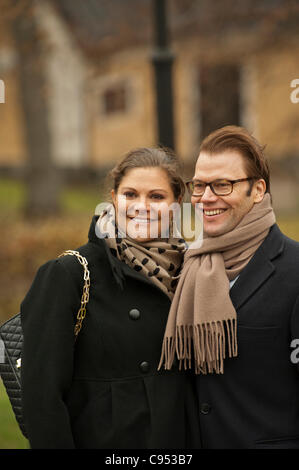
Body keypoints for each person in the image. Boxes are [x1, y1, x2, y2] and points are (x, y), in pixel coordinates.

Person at [20, 147, 200, 449]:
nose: (141, 206)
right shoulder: (70, 273)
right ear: (114, 199)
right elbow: (42, 398)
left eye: (156, 197)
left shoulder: (190, 270)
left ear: (176, 203)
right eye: (130, 194)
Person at [159, 125, 299, 449]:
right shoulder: (187, 267)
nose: (206, 197)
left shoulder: (294, 270)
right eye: (199, 185)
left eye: (223, 184)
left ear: (258, 189)